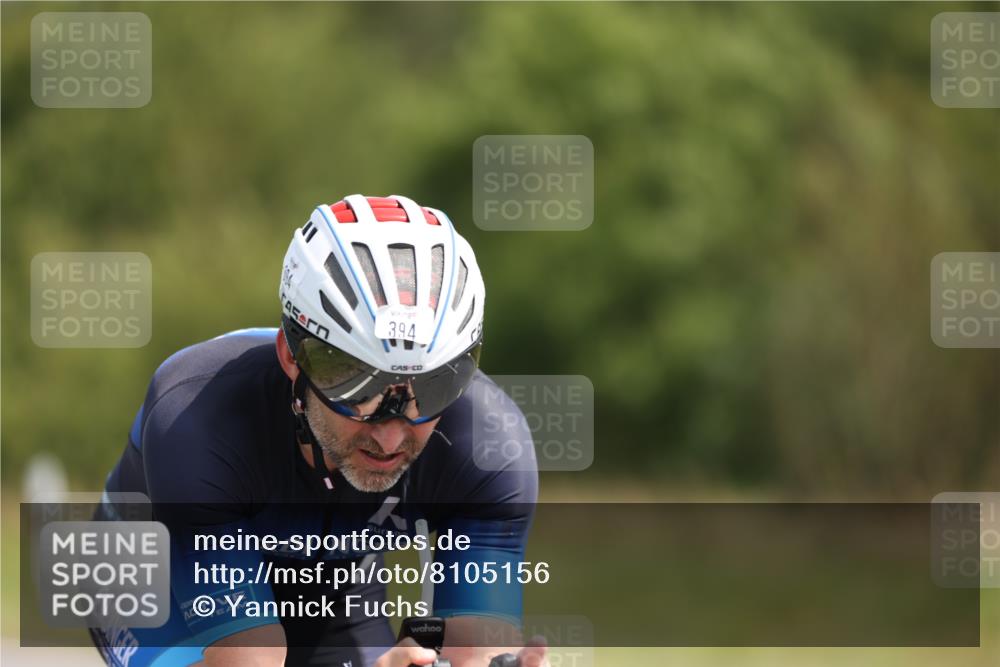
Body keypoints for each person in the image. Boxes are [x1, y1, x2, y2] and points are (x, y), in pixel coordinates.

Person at [91, 195, 546, 667]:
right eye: (359, 392)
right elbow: (248, 660)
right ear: (292, 357)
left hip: (335, 585)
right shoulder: (200, 419)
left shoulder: (490, 445)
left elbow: (477, 648)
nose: (390, 439)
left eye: (432, 390)